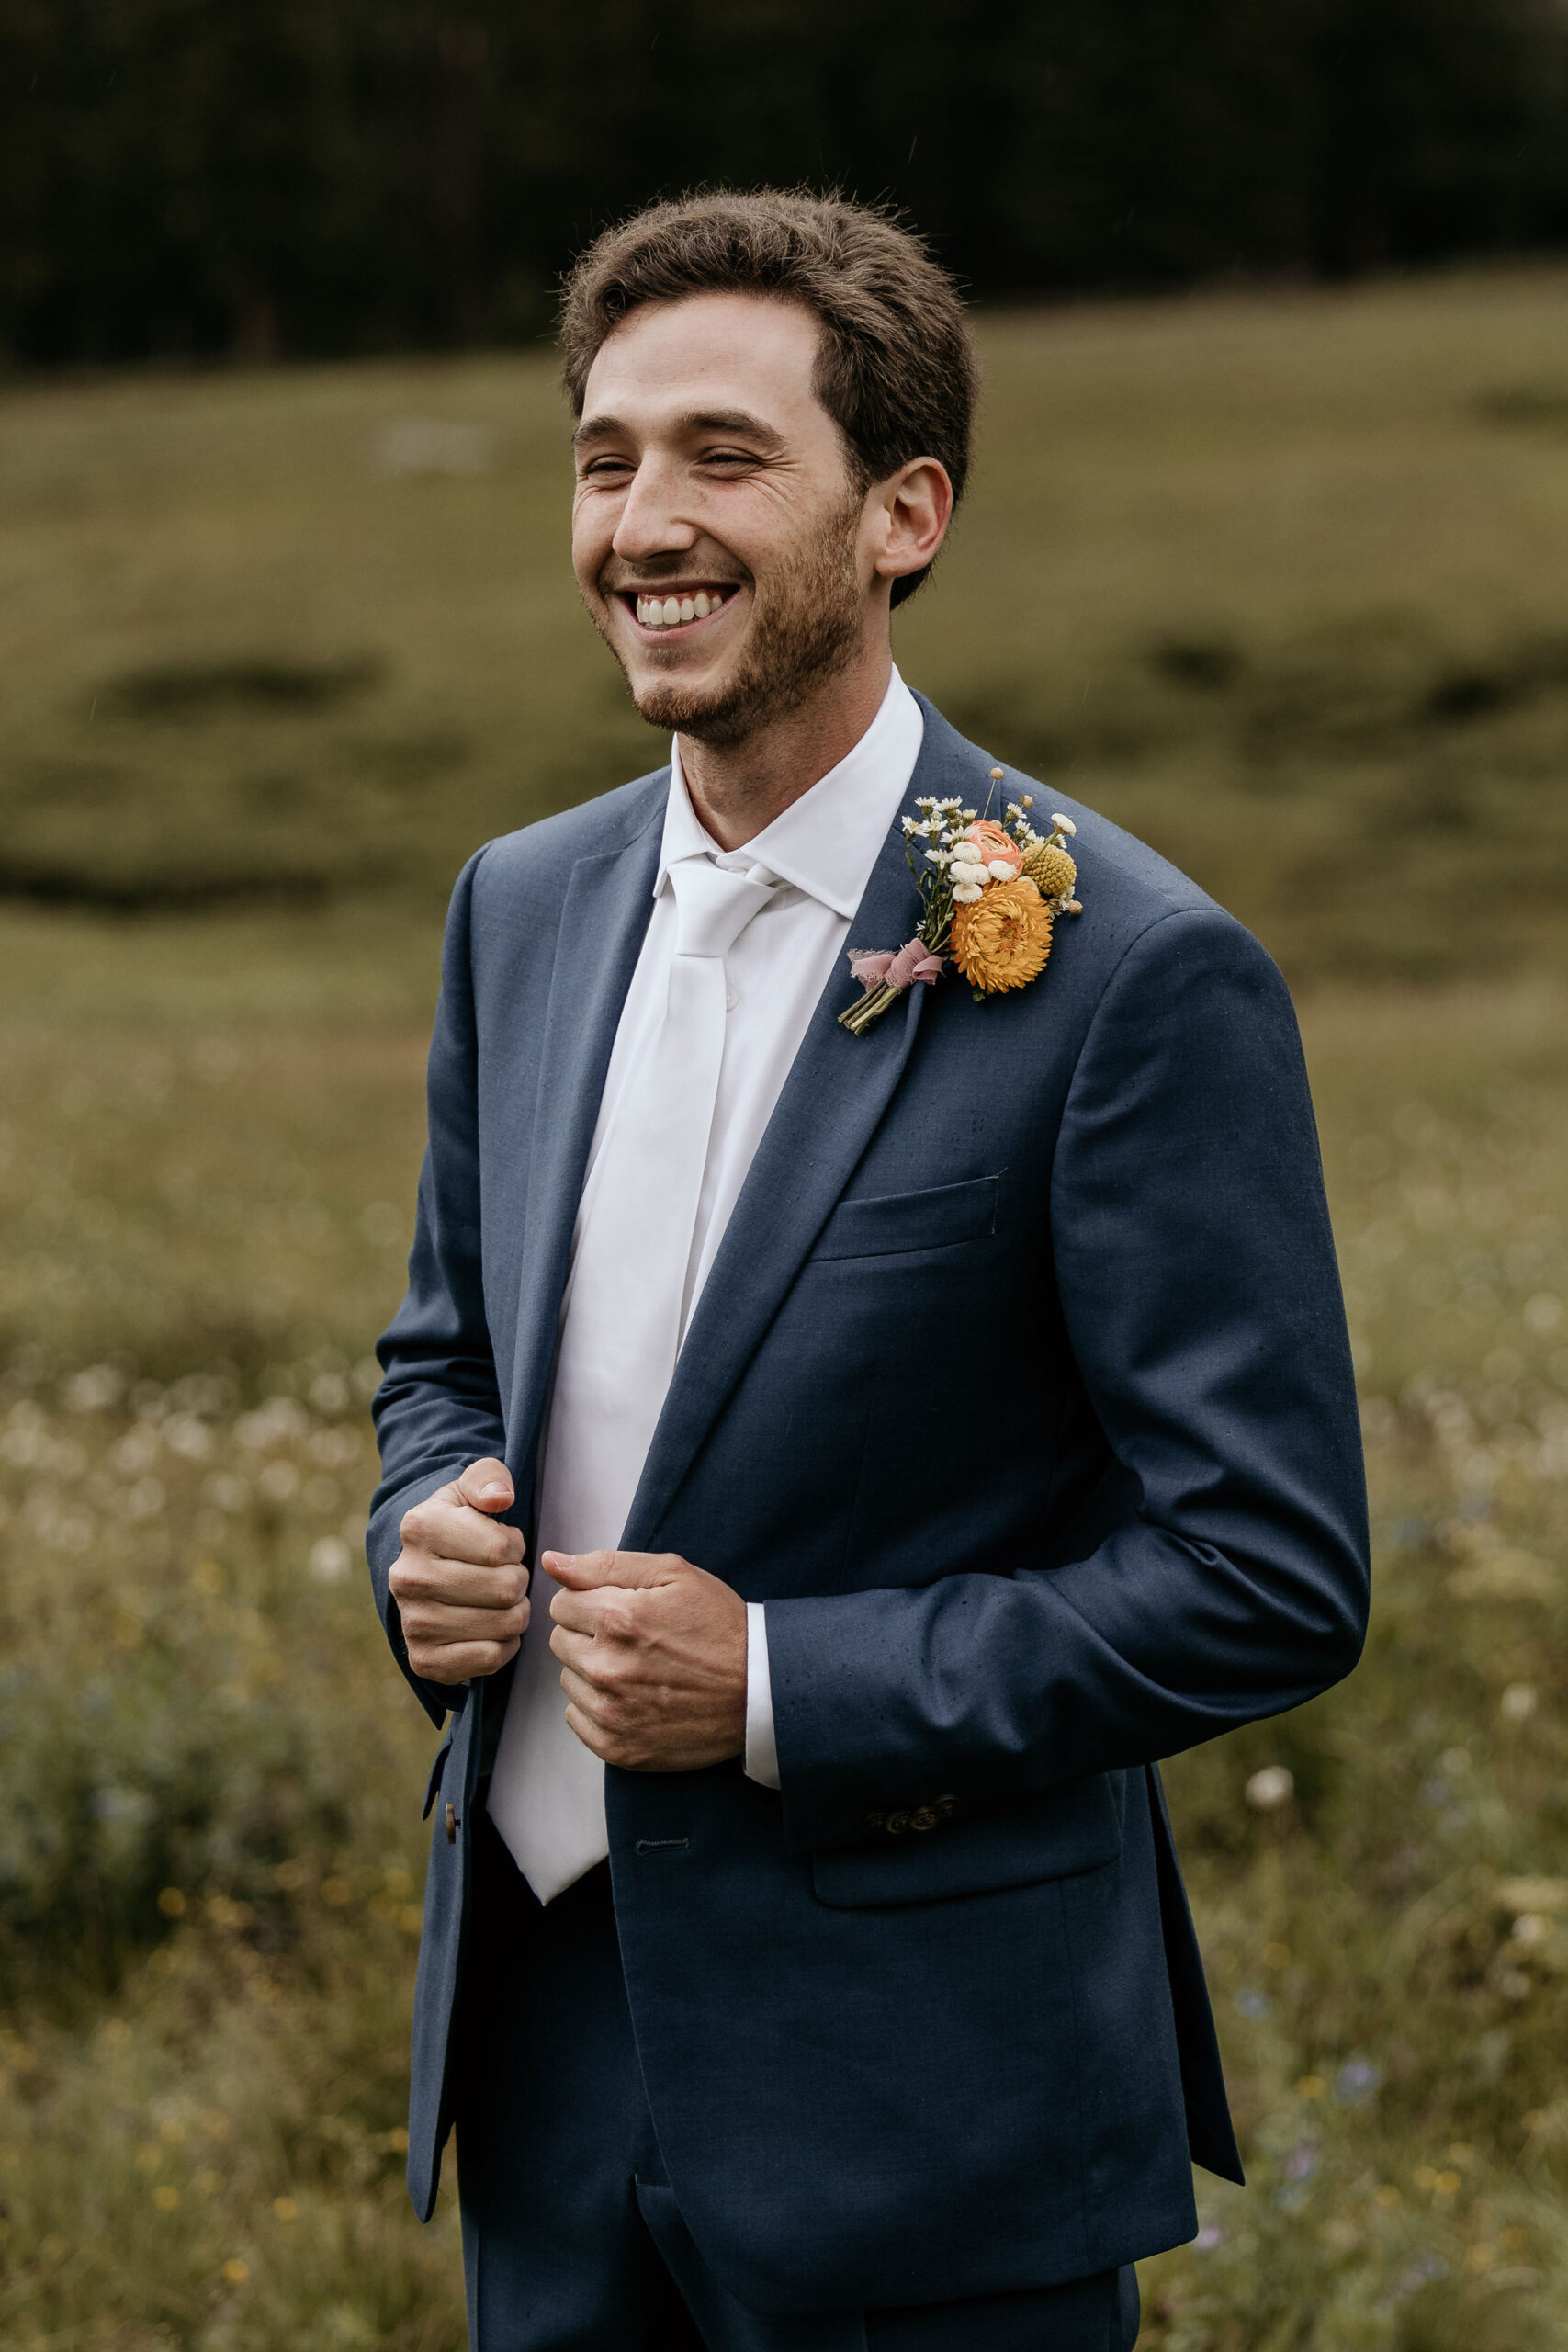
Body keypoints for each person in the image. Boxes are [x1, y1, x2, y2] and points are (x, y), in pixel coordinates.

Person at [367, 187, 1369, 2352]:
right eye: (604, 457)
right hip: (542, 2058)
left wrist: (769, 1683)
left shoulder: (1125, 969)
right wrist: (422, 1533)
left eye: (722, 456)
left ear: (902, 512)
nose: (642, 521)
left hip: (925, 2101)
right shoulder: (514, 904)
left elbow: (1267, 1570)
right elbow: (442, 1359)